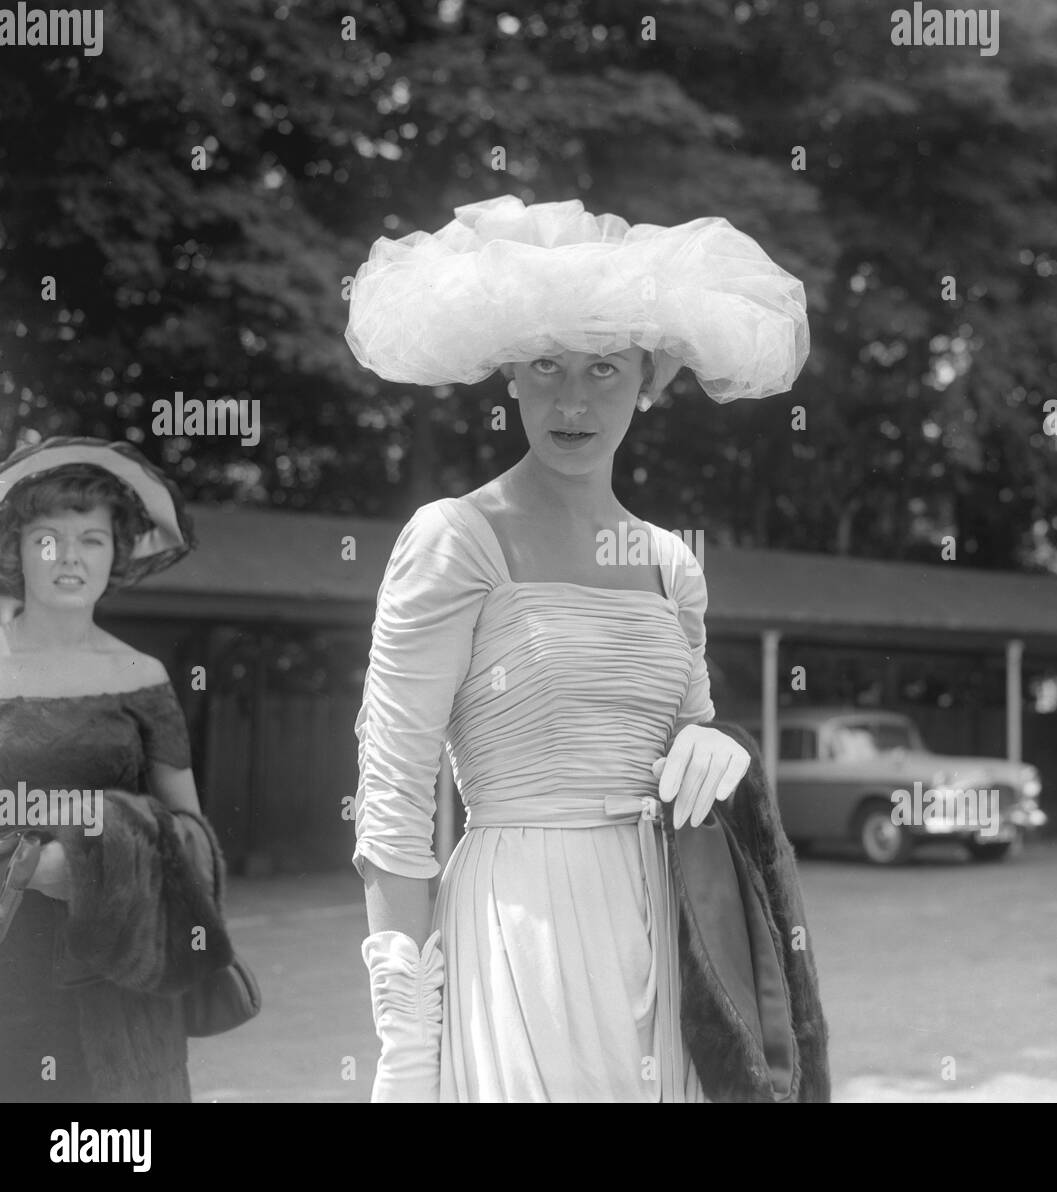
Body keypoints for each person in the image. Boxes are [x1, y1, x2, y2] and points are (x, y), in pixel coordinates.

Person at [346, 193, 810, 1101]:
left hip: (667, 926)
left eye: (604, 368)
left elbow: (690, 749)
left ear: (650, 381)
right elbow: (394, 792)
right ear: (508, 375)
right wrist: (405, 1027)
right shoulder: (455, 537)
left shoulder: (671, 564)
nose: (572, 398)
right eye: (547, 365)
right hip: (522, 921)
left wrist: (715, 741)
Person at [0, 436, 231, 1102]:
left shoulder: (144, 677)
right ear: (17, 549)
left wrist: (105, 863)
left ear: (117, 554)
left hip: (114, 976)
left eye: (92, 540)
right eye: (48, 538)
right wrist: (26, 865)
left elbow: (194, 838)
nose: (69, 558)